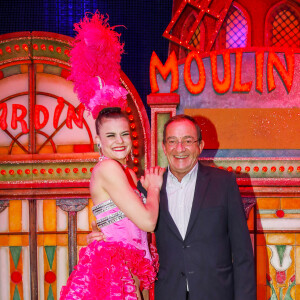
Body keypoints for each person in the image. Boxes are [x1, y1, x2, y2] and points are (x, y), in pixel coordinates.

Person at [88, 114, 256, 300]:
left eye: (188, 140)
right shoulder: (148, 186)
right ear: (164, 147)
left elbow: (243, 256)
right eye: (172, 141)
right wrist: (101, 237)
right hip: (168, 293)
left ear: (200, 146)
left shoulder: (224, 183)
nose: (180, 148)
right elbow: (131, 226)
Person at [60, 107, 164, 300]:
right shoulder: (108, 168)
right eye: (111, 135)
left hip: (126, 272)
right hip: (114, 274)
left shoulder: (128, 174)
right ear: (98, 141)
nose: (119, 141)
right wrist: (154, 188)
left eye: (124, 134)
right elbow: (148, 222)